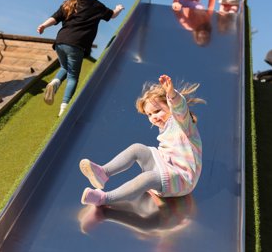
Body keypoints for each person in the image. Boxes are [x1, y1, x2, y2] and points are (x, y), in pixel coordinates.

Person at [79, 74, 205, 206]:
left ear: (169, 105)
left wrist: (172, 95)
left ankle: (104, 198)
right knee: (137, 148)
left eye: (157, 111)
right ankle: (103, 173)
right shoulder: (165, 127)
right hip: (165, 167)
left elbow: (180, 107)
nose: (153, 117)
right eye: (149, 115)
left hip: (182, 179)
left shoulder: (182, 123)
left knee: (148, 177)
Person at [37, 0, 124, 117]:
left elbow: (54, 18)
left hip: (60, 42)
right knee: (73, 76)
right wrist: (118, 9)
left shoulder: (67, 4)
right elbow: (112, 15)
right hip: (76, 44)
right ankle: (64, 107)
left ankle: (54, 83)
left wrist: (43, 26)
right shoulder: (95, 5)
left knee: (65, 67)